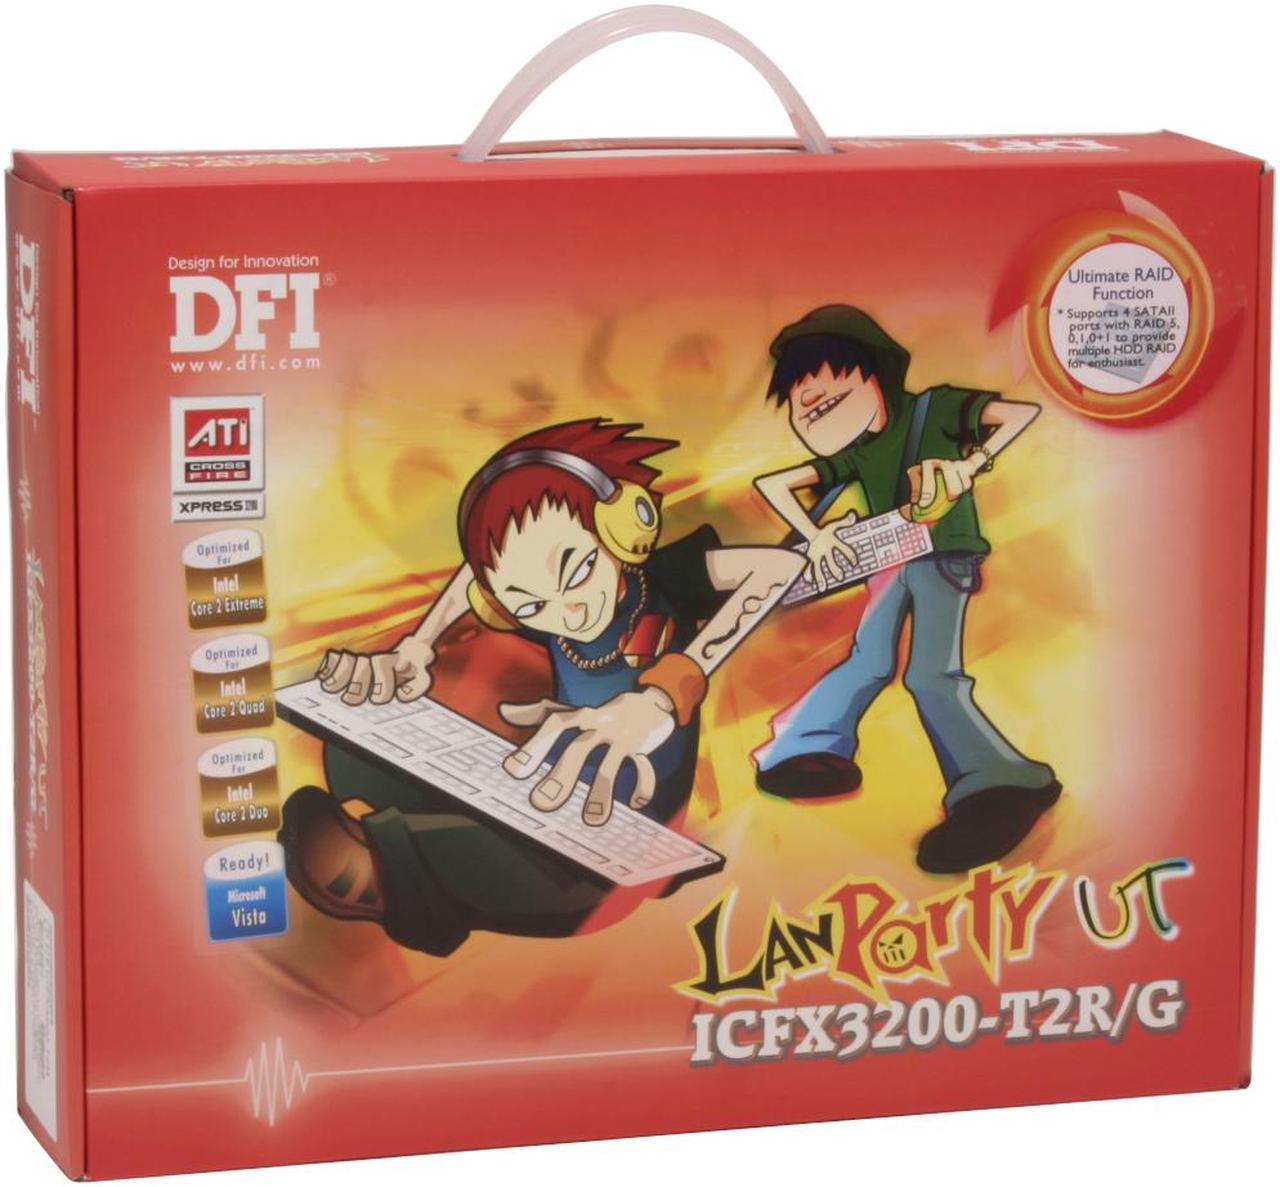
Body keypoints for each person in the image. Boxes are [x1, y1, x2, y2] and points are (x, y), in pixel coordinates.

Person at [279, 418, 804, 955]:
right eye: (529, 604)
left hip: (603, 856)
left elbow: (777, 568)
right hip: (540, 793)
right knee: (354, 751)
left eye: (576, 571)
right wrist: (418, 645)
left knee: (440, 852)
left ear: (625, 525)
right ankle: (388, 857)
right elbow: (477, 576)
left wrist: (665, 695)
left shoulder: (663, 581)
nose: (566, 611)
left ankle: (403, 885)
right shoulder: (546, 613)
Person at [752, 305, 1060, 873]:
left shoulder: (934, 408)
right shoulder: (855, 451)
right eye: (800, 398)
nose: (809, 401)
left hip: (943, 554)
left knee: (930, 675)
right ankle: (806, 748)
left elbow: (1017, 414)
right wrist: (815, 535)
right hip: (889, 559)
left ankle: (999, 784)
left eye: (823, 384)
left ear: (872, 374)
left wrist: (973, 463)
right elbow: (773, 484)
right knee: (868, 661)